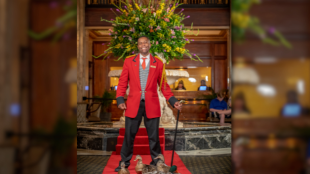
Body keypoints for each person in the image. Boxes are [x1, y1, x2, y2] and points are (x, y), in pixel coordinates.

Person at [115, 36, 182, 172]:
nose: (143, 45)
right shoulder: (129, 61)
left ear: (150, 44)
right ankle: (124, 163)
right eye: (140, 43)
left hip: (152, 104)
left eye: (145, 42)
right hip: (133, 104)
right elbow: (122, 82)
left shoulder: (158, 63)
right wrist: (120, 99)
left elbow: (164, 85)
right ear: (137, 46)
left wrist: (173, 101)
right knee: (129, 135)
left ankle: (157, 162)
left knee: (154, 137)